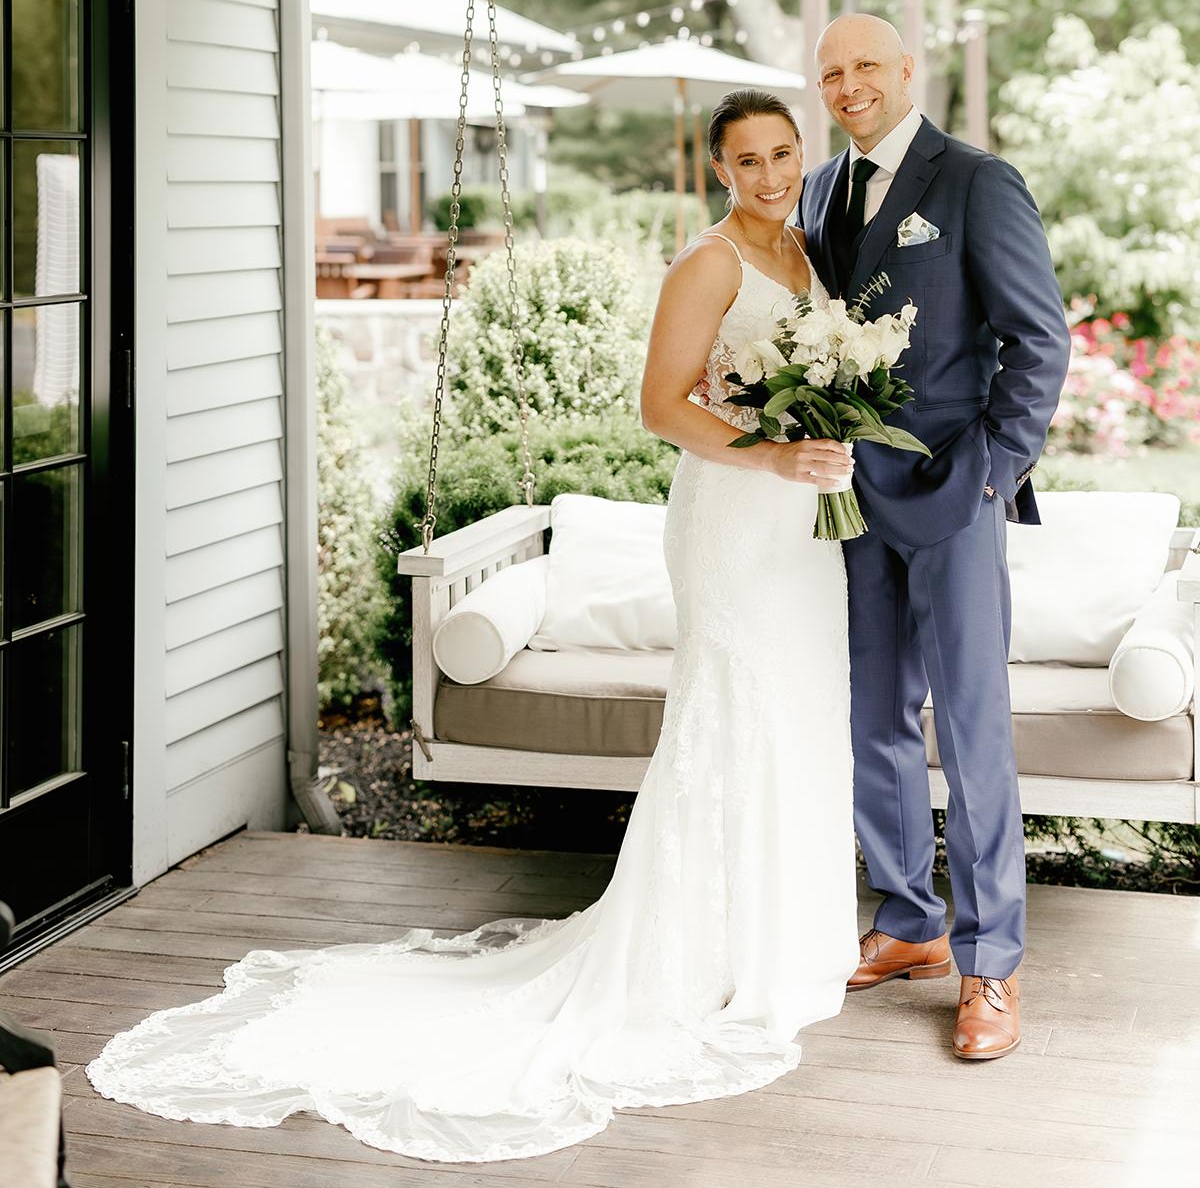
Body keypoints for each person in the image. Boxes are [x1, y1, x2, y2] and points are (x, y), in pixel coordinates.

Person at [84, 88, 859, 1164]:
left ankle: (790, 944)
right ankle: (707, 958)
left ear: (801, 155)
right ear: (718, 170)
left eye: (783, 154)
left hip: (802, 531)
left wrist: (827, 428)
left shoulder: (813, 253)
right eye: (747, 160)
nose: (770, 175)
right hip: (735, 518)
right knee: (739, 712)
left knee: (804, 714)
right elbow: (660, 406)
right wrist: (772, 452)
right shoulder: (710, 263)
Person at [802, 14, 1070, 1061]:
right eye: (832, 71)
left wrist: (993, 473)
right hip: (852, 497)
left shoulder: (975, 181)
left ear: (907, 71)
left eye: (867, 64)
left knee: (970, 727)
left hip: (957, 494)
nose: (850, 83)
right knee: (873, 711)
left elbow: (1038, 341)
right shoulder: (822, 190)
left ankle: (990, 964)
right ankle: (908, 921)